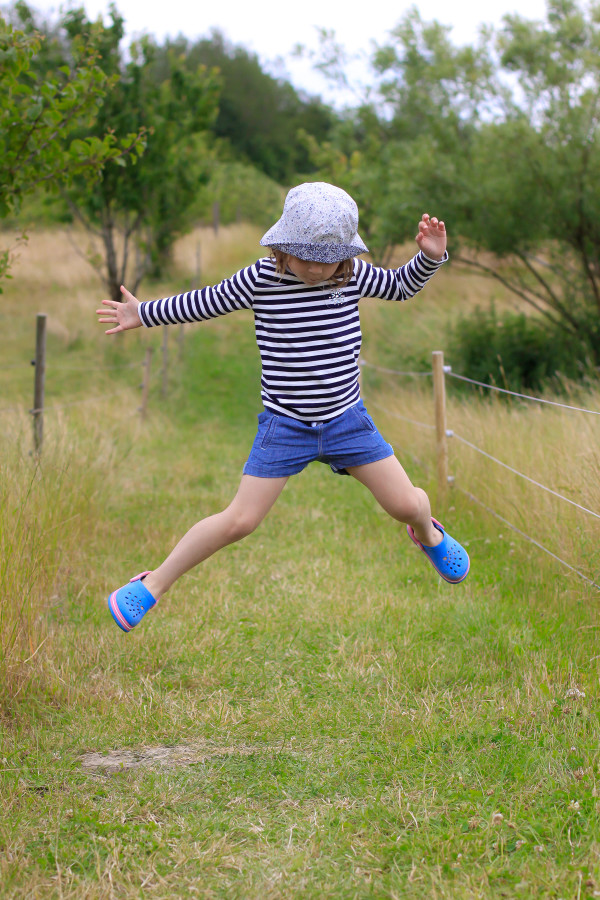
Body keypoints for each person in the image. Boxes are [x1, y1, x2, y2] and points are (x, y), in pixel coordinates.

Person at [97, 182, 469, 633]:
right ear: (283, 246)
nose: (314, 268)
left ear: (344, 254)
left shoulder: (351, 274)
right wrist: (145, 313)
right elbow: (204, 301)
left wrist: (429, 257)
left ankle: (428, 534)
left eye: (324, 258)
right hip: (285, 425)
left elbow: (400, 286)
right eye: (303, 256)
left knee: (407, 503)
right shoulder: (261, 278)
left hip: (347, 422)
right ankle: (150, 586)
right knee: (239, 521)